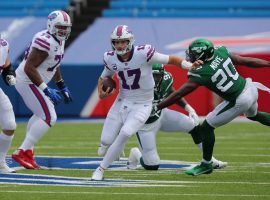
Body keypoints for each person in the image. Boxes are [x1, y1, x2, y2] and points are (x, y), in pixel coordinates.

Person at [91, 24, 202, 181]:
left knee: (126, 133)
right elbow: (104, 77)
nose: (119, 45)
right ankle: (109, 147)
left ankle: (100, 169)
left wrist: (190, 65)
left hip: (143, 103)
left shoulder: (144, 53)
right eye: (116, 42)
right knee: (106, 141)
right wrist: (101, 93)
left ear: (130, 41)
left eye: (122, 41)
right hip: (122, 101)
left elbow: (171, 59)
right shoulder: (110, 57)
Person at [156, 38, 270, 176]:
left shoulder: (201, 72)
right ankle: (206, 163)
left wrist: (158, 106)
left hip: (239, 100)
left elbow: (179, 93)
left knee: (206, 127)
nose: (190, 56)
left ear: (202, 55)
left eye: (193, 54)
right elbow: (245, 61)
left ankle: (206, 164)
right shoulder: (220, 51)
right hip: (250, 88)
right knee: (254, 115)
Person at [126, 64, 227, 170]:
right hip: (145, 126)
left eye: (157, 76)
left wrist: (188, 108)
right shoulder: (136, 84)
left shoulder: (166, 79)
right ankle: (136, 153)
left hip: (162, 114)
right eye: (152, 76)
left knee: (193, 125)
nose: (155, 79)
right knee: (151, 165)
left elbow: (172, 93)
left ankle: (209, 159)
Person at [11, 10, 73, 169]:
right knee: (49, 116)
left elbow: (55, 63)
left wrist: (61, 84)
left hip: (33, 81)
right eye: (60, 27)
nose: (64, 31)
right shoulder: (45, 41)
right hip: (27, 81)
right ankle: (22, 151)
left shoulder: (58, 40)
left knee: (41, 114)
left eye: (66, 27)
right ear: (51, 25)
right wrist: (46, 89)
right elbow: (29, 68)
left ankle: (28, 153)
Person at [0, 37, 17, 173]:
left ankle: (0, 162)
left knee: (10, 124)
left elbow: (6, 65)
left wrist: (9, 74)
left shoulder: (3, 44)